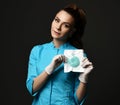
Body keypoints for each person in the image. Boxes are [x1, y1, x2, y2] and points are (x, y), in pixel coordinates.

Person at [26, 3, 93, 105]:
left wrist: (83, 79)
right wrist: (49, 69)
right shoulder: (37, 51)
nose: (58, 27)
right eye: (57, 20)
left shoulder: (78, 56)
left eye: (66, 25)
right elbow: (32, 88)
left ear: (72, 31)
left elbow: (78, 100)